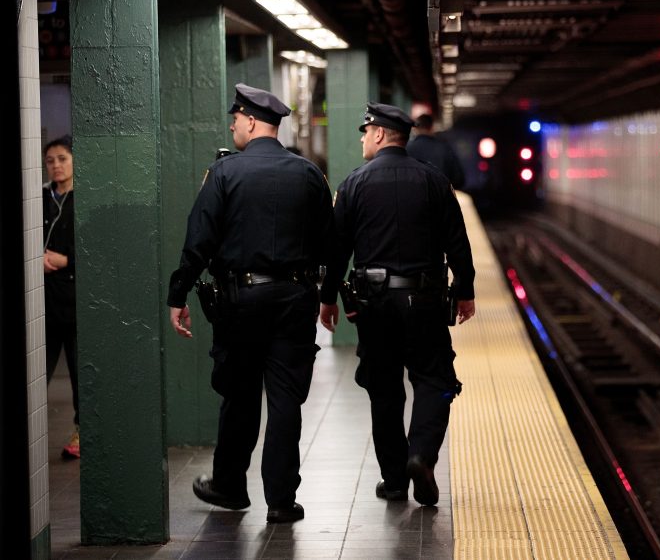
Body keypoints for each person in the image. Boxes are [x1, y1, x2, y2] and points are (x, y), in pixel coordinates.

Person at [167, 83, 334, 524]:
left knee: (240, 395)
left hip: (241, 301)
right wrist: (321, 290)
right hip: (296, 298)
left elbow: (198, 239)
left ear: (253, 122)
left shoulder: (223, 174)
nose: (233, 126)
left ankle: (230, 487)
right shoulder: (310, 175)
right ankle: (281, 500)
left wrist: (178, 293)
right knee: (285, 401)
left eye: (236, 119)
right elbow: (329, 243)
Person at [319, 102, 476, 506]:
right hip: (424, 299)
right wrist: (465, 290)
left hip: (374, 304)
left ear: (378, 135)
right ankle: (421, 455)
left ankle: (393, 482)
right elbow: (457, 242)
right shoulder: (433, 181)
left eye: (364, 132)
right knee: (435, 381)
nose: (361, 139)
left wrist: (328, 297)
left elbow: (337, 250)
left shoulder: (353, 184)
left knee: (383, 388)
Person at [43, 135, 80, 459]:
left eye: (62, 159)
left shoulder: (81, 199)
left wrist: (67, 260)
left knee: (80, 374)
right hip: (43, 304)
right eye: (51, 160)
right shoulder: (40, 199)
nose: (56, 165)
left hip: (74, 302)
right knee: (38, 372)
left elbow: (97, 252)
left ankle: (82, 432)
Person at [406, 113, 465, 189]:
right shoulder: (444, 148)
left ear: (416, 129)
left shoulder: (407, 148)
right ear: (432, 127)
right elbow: (459, 178)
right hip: (440, 197)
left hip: (414, 196)